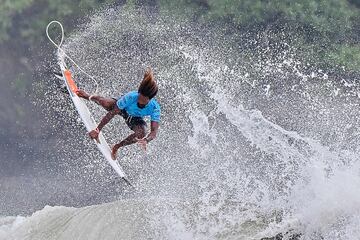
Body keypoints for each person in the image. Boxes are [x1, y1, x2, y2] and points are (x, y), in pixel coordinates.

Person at [75, 67, 160, 160]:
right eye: (139, 98)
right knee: (105, 102)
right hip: (122, 109)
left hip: (134, 118)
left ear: (150, 99)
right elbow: (112, 113)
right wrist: (97, 130)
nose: (139, 102)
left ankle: (116, 147)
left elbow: (154, 132)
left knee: (142, 132)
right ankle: (87, 96)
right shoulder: (131, 97)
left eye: (143, 101)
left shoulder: (155, 108)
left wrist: (146, 140)